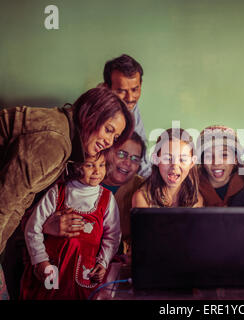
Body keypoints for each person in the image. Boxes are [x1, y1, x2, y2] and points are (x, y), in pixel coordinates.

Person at [0, 87, 132, 256]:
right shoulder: (56, 141)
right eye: (108, 130)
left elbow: (20, 203)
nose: (109, 142)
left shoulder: (67, 139)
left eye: (115, 137)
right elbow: (5, 202)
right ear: (92, 115)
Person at [20, 152, 121, 299]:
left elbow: (112, 235)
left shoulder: (107, 198)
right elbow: (32, 228)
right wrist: (40, 260)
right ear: (76, 165)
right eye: (90, 165)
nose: (97, 171)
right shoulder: (58, 192)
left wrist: (104, 262)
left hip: (84, 274)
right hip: (52, 271)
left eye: (102, 165)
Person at [103, 54, 151, 178]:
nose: (130, 98)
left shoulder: (129, 106)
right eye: (121, 91)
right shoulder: (94, 109)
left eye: (135, 89)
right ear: (106, 88)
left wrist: (153, 184)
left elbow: (140, 153)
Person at [132, 128, 203, 208]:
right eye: (168, 159)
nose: (174, 166)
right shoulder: (142, 198)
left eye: (182, 159)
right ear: (156, 159)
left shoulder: (196, 199)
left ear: (192, 162)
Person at [102, 131, 146, 257]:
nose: (128, 162)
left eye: (135, 159)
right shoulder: (86, 177)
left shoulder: (143, 188)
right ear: (108, 152)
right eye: (122, 154)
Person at [196, 125, 244, 206]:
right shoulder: (191, 186)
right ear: (202, 161)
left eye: (224, 155)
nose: (216, 162)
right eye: (208, 156)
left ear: (235, 159)